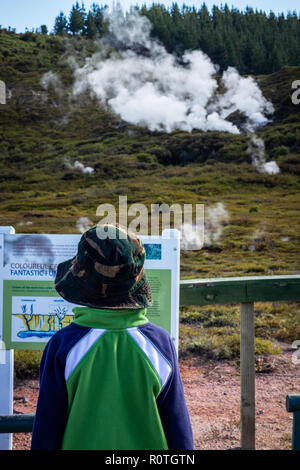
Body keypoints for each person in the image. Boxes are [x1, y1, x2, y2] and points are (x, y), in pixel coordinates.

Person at [31, 224, 194, 450]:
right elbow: (178, 427)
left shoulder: (62, 346)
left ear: (81, 282)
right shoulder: (160, 343)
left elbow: (47, 430)